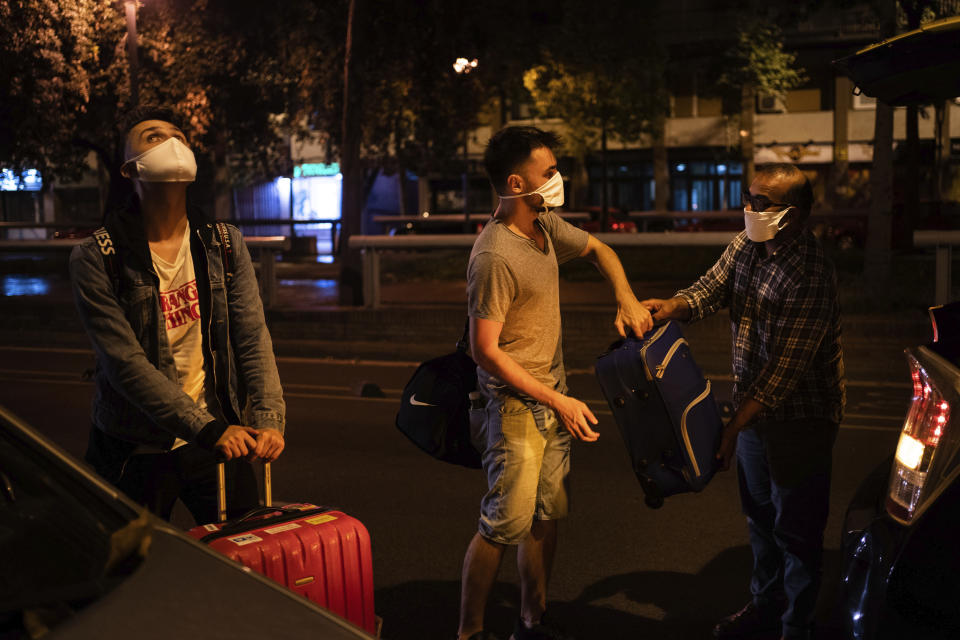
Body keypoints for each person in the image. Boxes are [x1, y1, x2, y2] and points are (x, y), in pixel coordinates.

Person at [459, 125, 653, 640]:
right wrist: (558, 401)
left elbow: (600, 250)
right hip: (516, 410)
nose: (558, 179)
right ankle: (469, 632)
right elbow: (485, 350)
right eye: (548, 173)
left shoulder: (544, 226)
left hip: (552, 399)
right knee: (502, 526)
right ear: (517, 184)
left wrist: (625, 297)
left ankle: (532, 619)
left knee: (546, 517)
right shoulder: (495, 255)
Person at [642, 163, 845, 640]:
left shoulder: (812, 272)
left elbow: (783, 376)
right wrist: (669, 307)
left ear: (793, 215)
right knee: (760, 519)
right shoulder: (747, 245)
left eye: (761, 202)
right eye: (748, 197)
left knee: (797, 530)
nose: (749, 208)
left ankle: (797, 626)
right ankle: (765, 608)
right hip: (752, 410)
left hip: (802, 418)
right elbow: (712, 288)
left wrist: (732, 427)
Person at [69, 106, 285, 525]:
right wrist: (206, 429)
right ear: (129, 170)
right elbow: (125, 366)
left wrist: (268, 418)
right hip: (136, 448)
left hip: (222, 439)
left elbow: (252, 338)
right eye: (153, 136)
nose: (171, 142)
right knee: (133, 573)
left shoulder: (223, 243)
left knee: (241, 568)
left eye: (178, 136)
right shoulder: (97, 256)